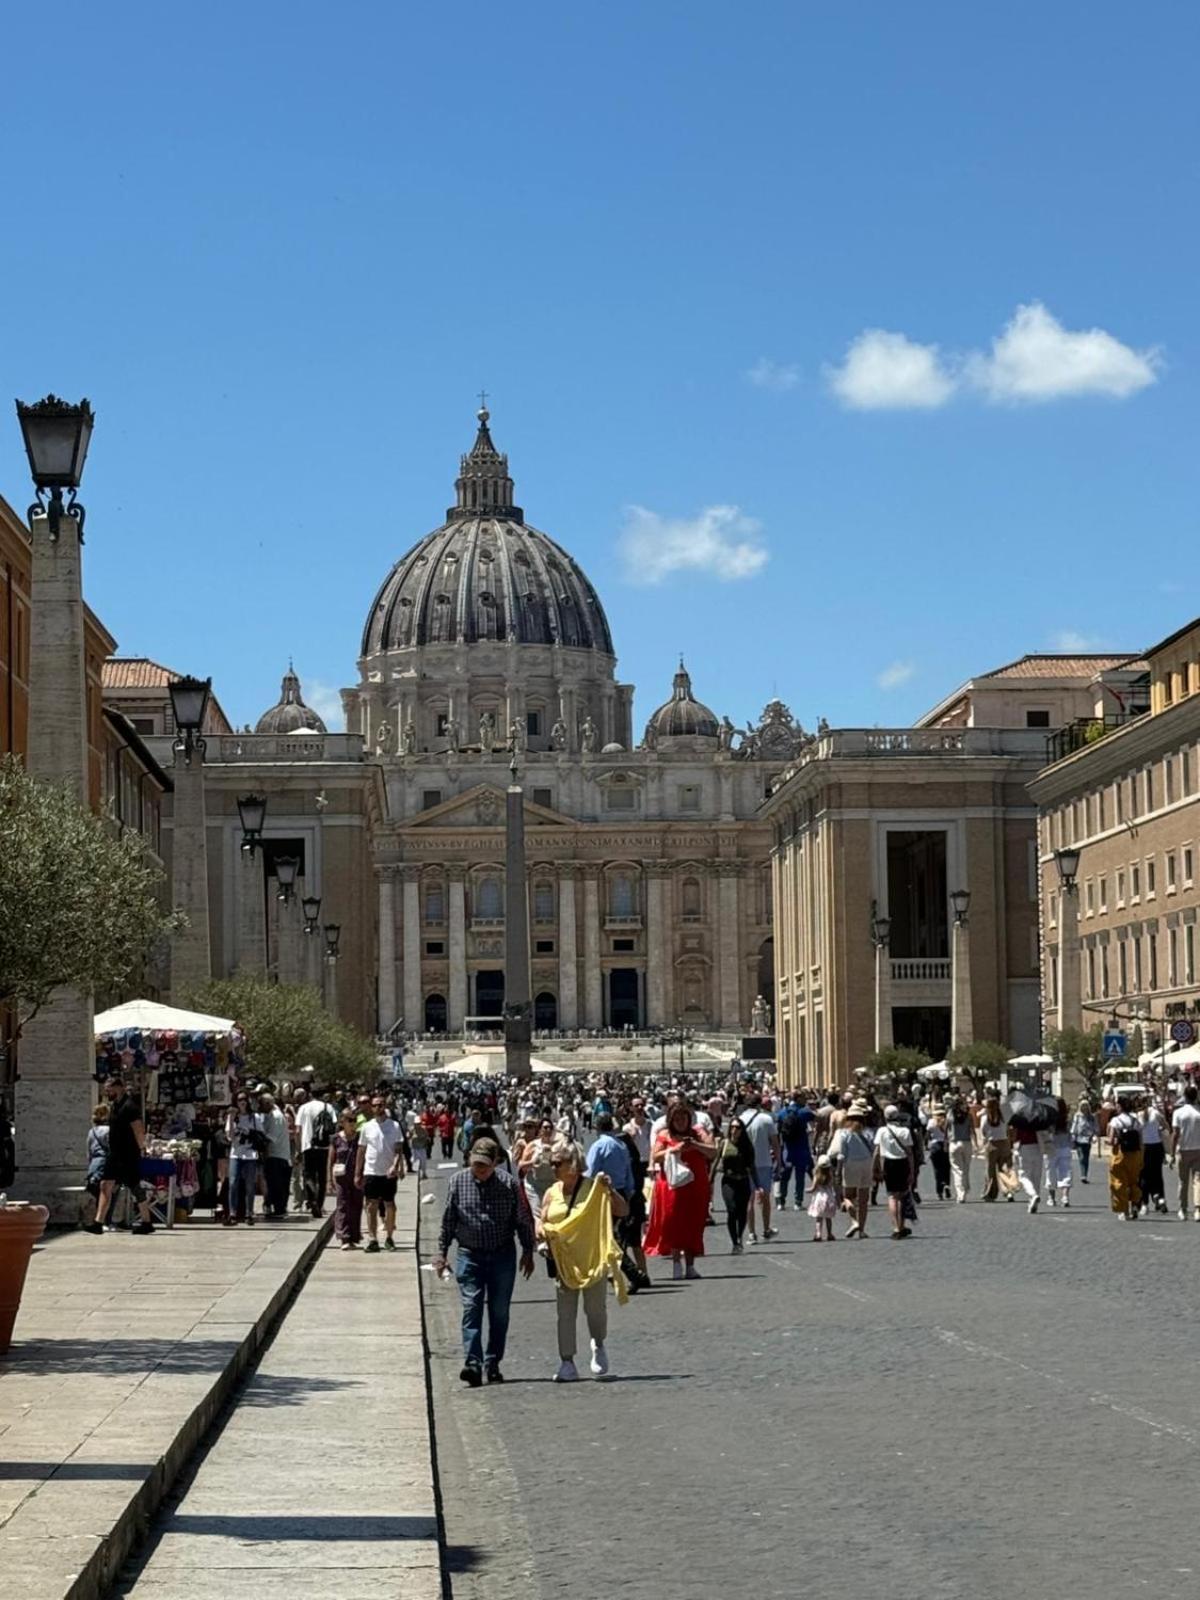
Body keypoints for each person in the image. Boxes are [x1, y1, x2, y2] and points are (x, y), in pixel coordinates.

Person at [433, 1138, 535, 1386]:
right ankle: (473, 1363)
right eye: (476, 1164)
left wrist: (528, 1251)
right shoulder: (458, 1182)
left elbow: (522, 1220)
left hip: (502, 1255)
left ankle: (493, 1362)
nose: (479, 1169)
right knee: (472, 1308)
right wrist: (441, 1252)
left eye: (484, 1165)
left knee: (499, 1312)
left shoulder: (508, 1185)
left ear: (495, 1164)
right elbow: (449, 1220)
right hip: (470, 1255)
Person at [538, 1142, 629, 1382]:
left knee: (595, 1310)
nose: (553, 1167)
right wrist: (542, 1231)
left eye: (558, 1163)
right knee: (565, 1314)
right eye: (552, 1163)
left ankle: (598, 1344)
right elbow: (542, 1219)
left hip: (591, 1259)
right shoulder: (551, 1192)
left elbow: (622, 1211)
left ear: (573, 1164)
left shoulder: (593, 1189)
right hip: (564, 1262)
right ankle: (567, 1361)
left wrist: (610, 1190)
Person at [644, 1102, 715, 1278]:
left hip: (696, 1183)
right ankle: (676, 1262)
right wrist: (674, 1149)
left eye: (683, 1118)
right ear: (671, 1120)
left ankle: (690, 1265)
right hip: (672, 1185)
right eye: (676, 1119)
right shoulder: (664, 1135)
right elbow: (655, 1157)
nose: (680, 1122)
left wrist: (695, 1146)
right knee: (673, 1222)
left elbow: (713, 1151)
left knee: (694, 1222)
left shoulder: (698, 1132)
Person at [355, 1093, 405, 1251]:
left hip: (388, 1172)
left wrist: (396, 1166)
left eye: (381, 1105)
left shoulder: (394, 1126)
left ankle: (389, 1237)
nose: (378, 1108)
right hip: (371, 1171)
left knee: (390, 1204)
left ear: (385, 1106)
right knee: (371, 1205)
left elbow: (398, 1149)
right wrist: (358, 1173)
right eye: (375, 1105)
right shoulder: (367, 1127)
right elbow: (361, 1150)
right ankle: (372, 1238)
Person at [827, 1102, 875, 1238]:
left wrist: (838, 1171)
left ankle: (854, 1220)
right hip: (866, 1164)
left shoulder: (844, 1134)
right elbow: (874, 1150)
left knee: (848, 1196)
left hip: (850, 1164)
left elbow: (842, 1154)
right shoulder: (868, 1133)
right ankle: (862, 1230)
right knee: (864, 1200)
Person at [739, 1092, 780, 1244]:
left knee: (749, 1199)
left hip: (745, 1164)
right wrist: (779, 1162)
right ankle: (766, 1229)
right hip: (764, 1162)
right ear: (759, 1104)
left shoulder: (740, 1120)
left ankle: (751, 1234)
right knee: (765, 1198)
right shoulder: (766, 1119)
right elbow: (775, 1143)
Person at [714, 1115, 756, 1253]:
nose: (734, 1130)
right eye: (732, 1127)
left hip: (743, 1180)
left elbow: (752, 1166)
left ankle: (739, 1236)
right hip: (729, 1181)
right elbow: (715, 1162)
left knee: (742, 1212)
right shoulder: (724, 1143)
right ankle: (735, 1242)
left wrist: (758, 1184)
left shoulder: (747, 1145)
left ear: (742, 1130)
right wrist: (709, 1180)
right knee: (732, 1210)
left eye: (737, 1127)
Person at [873, 1105, 915, 1240]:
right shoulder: (905, 1131)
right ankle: (902, 1225)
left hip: (888, 1163)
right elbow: (910, 1153)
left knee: (892, 1196)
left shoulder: (881, 1131)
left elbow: (877, 1152)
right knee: (902, 1195)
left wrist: (875, 1168)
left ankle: (896, 1227)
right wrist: (912, 1171)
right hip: (902, 1162)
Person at [295, 1088, 336, 1218]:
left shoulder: (304, 1108)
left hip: (308, 1146)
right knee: (322, 1176)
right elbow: (333, 1128)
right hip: (324, 1147)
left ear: (310, 1094)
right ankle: (319, 1203)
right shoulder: (328, 1107)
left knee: (308, 1175)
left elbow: (298, 1130)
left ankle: (311, 1199)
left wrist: (298, 1148)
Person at [226, 1092, 264, 1225]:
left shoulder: (254, 1117)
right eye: (239, 1100)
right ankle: (232, 1213)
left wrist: (249, 1133)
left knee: (250, 1184)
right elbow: (229, 1137)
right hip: (236, 1153)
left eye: (244, 1099)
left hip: (250, 1154)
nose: (242, 1102)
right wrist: (231, 1118)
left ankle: (249, 1213)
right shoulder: (233, 1118)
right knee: (233, 1182)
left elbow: (261, 1134)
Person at [329, 1108, 363, 1249]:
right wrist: (329, 1181)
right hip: (341, 1177)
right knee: (342, 1205)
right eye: (350, 1120)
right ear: (342, 1122)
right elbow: (330, 1160)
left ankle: (354, 1236)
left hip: (357, 1175)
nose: (353, 1123)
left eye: (355, 1120)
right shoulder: (336, 1138)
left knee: (356, 1205)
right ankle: (344, 1237)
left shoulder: (360, 1137)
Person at [776, 1091, 814, 1211]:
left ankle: (781, 1201)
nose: (805, 1100)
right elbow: (815, 1116)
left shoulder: (783, 1112)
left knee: (785, 1176)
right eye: (804, 1098)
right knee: (800, 1176)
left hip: (787, 1148)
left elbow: (778, 1128)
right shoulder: (804, 1112)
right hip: (801, 1147)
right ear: (798, 1099)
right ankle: (798, 1202)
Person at [1108, 1094, 1144, 1222]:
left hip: (1120, 1154)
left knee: (1119, 1183)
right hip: (1135, 1154)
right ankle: (1134, 1204)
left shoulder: (1116, 1121)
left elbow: (1112, 1140)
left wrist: (1109, 1142)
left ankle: (1124, 1210)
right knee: (1134, 1181)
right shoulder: (1136, 1121)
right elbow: (1141, 1140)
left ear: (1119, 1106)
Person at [258, 1091, 292, 1218]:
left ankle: (279, 1209)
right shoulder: (271, 1115)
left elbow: (270, 1137)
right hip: (274, 1155)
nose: (260, 1108)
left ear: (267, 1104)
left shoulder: (276, 1117)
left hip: (277, 1155)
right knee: (273, 1183)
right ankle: (275, 1207)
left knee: (277, 1184)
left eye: (261, 1104)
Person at [584, 1112, 634, 1197]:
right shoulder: (622, 1145)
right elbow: (628, 1171)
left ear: (597, 1127)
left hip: (604, 1193)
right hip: (621, 1193)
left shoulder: (598, 1146)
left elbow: (590, 1173)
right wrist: (629, 1191)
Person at [1172, 1084, 1200, 1220]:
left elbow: (1175, 1134)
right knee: (1198, 1181)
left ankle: (1183, 1209)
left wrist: (1172, 1153)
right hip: (1198, 1149)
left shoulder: (1178, 1113)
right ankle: (1197, 1209)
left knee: (1183, 1181)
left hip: (1183, 1150)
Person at [1139, 1095, 1170, 1216]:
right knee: (1157, 1174)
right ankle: (1160, 1198)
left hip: (1144, 1148)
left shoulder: (1138, 1116)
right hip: (1157, 1147)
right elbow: (1166, 1126)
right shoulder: (1156, 1114)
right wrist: (1159, 1129)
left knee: (1144, 1176)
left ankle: (1144, 1204)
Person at [979, 1095, 1014, 1203]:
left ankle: (990, 1193)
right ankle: (1008, 1191)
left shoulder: (985, 1118)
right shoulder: (1003, 1117)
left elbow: (983, 1132)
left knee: (990, 1170)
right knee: (1004, 1169)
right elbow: (1009, 1130)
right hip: (1004, 1143)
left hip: (992, 1144)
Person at [1044, 1097, 1073, 1209]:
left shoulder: (1049, 1119)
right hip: (1065, 1147)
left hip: (1051, 1147)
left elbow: (1046, 1133)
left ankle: (1051, 1198)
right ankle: (1065, 1197)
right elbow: (1071, 1134)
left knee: (1050, 1172)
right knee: (1065, 1172)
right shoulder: (1067, 1120)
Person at [947, 1096, 975, 1203]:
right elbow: (972, 1130)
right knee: (966, 1168)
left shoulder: (950, 1115)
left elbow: (946, 1128)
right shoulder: (968, 1116)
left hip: (954, 1143)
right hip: (966, 1142)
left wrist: (946, 1142)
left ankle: (960, 1194)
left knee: (957, 1169)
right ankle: (966, 1188)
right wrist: (976, 1143)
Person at [85, 1104, 110, 1221]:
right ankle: (105, 1220)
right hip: (106, 1164)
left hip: (94, 1166)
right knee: (108, 1193)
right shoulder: (109, 1130)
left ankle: (99, 1219)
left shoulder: (92, 1132)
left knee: (98, 1193)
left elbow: (89, 1152)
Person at [807, 1157, 837, 1241]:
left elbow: (813, 1188)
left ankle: (818, 1233)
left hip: (819, 1199)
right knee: (828, 1218)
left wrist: (807, 1190)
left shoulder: (817, 1176)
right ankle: (829, 1234)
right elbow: (832, 1187)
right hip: (829, 1198)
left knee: (819, 1219)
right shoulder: (830, 1176)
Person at [1071, 1098, 1097, 1183]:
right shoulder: (1077, 1116)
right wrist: (1073, 1137)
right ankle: (1083, 1175)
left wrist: (1095, 1135)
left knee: (1086, 1157)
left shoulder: (1092, 1117)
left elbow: (1095, 1127)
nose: (1084, 1108)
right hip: (1079, 1138)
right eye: (1083, 1107)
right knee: (1081, 1157)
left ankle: (1084, 1175)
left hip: (1087, 1139)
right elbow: (1074, 1126)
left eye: (1086, 1107)